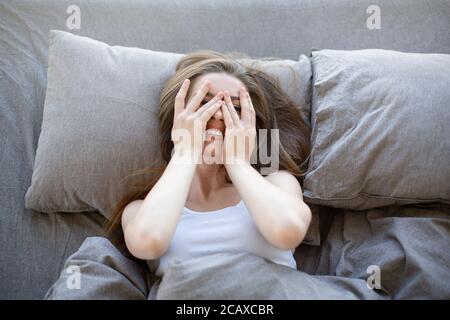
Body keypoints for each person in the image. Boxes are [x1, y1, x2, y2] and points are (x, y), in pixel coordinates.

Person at [105, 50, 312, 278]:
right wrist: (185, 153)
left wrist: (236, 161)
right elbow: (147, 242)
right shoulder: (141, 209)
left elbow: (288, 231)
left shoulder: (277, 182)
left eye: (234, 109)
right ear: (177, 119)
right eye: (204, 104)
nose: (218, 116)